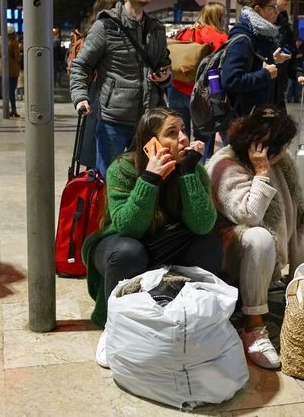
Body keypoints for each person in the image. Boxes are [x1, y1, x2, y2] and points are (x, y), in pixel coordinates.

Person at [82, 107, 223, 367]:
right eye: (172, 132)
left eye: (183, 130)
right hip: (119, 245)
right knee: (128, 251)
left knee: (209, 245)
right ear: (151, 143)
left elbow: (203, 225)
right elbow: (128, 227)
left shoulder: (192, 168)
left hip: (165, 245)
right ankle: (113, 328)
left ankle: (196, 322)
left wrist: (189, 173)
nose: (183, 138)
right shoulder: (123, 168)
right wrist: (150, 178)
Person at [205, 106, 304, 369]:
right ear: (259, 146)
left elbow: (294, 196)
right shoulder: (225, 166)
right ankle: (253, 327)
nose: (285, 151)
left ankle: (290, 295)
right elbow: (248, 215)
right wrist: (260, 173)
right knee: (260, 237)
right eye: (281, 146)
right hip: (230, 256)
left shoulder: (278, 160)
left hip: (260, 259)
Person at [70, 0, 172, 176]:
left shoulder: (156, 29)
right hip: (113, 120)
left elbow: (164, 63)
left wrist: (165, 76)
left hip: (148, 120)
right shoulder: (106, 26)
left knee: (148, 178)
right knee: (110, 180)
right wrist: (80, 97)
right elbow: (81, 65)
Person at [67, 0, 121, 170]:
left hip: (94, 91)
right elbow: (83, 66)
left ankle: (96, 181)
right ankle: (99, 185)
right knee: (100, 145)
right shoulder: (102, 31)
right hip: (99, 91)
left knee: (95, 144)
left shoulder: (89, 29)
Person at [222, 0, 291, 122]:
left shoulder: (261, 35)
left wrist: (273, 60)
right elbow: (231, 80)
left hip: (258, 115)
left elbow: (254, 64)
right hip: (245, 120)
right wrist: (265, 74)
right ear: (258, 9)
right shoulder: (243, 38)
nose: (277, 12)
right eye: (272, 7)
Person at [167, 2, 229, 140]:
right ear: (219, 17)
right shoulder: (221, 38)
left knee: (180, 135)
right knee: (203, 137)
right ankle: (200, 161)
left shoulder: (185, 32)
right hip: (202, 94)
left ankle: (183, 161)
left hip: (176, 88)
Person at [262, 0, 304, 111]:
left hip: (278, 95)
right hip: (259, 94)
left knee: (281, 131)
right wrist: (273, 60)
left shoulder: (285, 26)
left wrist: (298, 74)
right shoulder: (256, 26)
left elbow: (291, 56)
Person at [0, 25, 23, 118]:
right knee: (12, 89)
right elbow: (17, 57)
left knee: (5, 89)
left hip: (2, 68)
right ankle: (13, 109)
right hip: (12, 69)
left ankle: (6, 109)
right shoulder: (14, 42)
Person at [286, 37, 304, 103]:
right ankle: (288, 99)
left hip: (299, 68)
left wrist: (302, 56)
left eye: (300, 42)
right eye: (297, 41)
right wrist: (295, 56)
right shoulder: (292, 48)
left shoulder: (303, 49)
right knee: (290, 85)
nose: (298, 43)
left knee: (298, 85)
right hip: (291, 69)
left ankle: (296, 99)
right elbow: (288, 57)